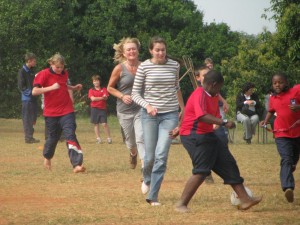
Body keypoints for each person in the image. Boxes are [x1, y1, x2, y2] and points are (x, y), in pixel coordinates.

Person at [170, 70, 262, 213]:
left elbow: (212, 118)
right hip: (193, 135)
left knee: (228, 162)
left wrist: (220, 124)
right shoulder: (199, 94)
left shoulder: (212, 96)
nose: (219, 90)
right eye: (219, 87)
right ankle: (181, 204)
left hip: (207, 134)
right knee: (202, 170)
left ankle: (245, 200)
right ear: (213, 84)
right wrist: (224, 122)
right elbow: (201, 116)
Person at [131, 36, 185, 206]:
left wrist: (183, 108)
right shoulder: (144, 67)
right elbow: (135, 94)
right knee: (149, 157)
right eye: (157, 50)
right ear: (150, 51)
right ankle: (147, 178)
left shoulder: (174, 66)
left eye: (163, 49)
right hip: (149, 116)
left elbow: (176, 87)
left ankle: (153, 196)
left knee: (161, 155)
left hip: (170, 115)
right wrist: (147, 106)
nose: (161, 53)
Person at [32, 53, 86, 173]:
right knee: (52, 138)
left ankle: (77, 164)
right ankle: (47, 157)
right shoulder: (43, 74)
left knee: (70, 134)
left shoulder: (64, 73)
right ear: (51, 64)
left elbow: (63, 85)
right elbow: (34, 91)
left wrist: (73, 88)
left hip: (67, 110)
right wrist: (51, 88)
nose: (60, 70)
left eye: (61, 67)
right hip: (51, 113)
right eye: (57, 67)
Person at [260, 73, 300, 203]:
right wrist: (265, 121)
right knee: (286, 158)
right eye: (274, 83)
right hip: (281, 133)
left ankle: (289, 168)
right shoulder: (273, 98)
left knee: (293, 160)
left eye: (280, 82)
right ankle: (288, 187)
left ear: (286, 82)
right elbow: (271, 110)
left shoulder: (295, 91)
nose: (277, 85)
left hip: (297, 133)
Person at [107, 37, 145, 170]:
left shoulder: (144, 66)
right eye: (128, 49)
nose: (131, 51)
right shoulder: (119, 68)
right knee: (131, 142)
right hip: (124, 110)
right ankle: (133, 153)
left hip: (141, 108)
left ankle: (144, 167)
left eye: (134, 48)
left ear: (138, 51)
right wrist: (122, 96)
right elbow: (110, 88)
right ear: (124, 53)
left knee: (141, 137)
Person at [194, 66, 229, 184]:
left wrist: (224, 102)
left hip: (215, 122)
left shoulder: (213, 91)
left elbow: (217, 97)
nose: (208, 77)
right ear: (198, 78)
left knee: (222, 141)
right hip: (203, 126)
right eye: (204, 75)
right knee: (204, 149)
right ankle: (206, 173)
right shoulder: (198, 92)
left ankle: (227, 172)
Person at [17, 52, 40, 144]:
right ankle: (28, 138)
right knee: (27, 118)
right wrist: (31, 93)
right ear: (29, 61)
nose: (35, 62)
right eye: (34, 61)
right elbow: (21, 87)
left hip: (34, 99)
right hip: (27, 100)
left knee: (33, 118)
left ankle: (31, 136)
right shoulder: (22, 71)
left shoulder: (32, 71)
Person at [88, 75, 112, 144]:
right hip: (94, 109)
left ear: (99, 81)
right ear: (93, 82)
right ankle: (98, 138)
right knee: (96, 124)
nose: (96, 82)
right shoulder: (91, 90)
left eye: (97, 81)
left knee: (104, 124)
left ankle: (109, 138)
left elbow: (106, 97)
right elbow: (93, 99)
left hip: (102, 109)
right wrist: (102, 98)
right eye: (94, 81)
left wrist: (98, 98)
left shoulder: (104, 89)